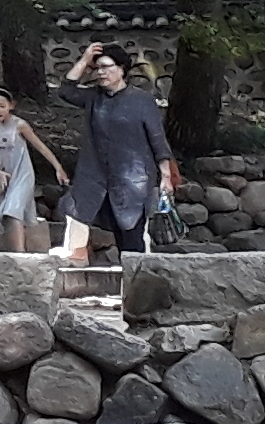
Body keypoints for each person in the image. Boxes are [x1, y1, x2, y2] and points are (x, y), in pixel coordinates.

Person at [57, 41, 179, 263]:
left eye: (106, 66)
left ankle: (136, 289)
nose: (101, 72)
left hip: (135, 182)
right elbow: (66, 90)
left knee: (132, 240)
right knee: (83, 217)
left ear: (122, 69)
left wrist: (166, 176)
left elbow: (157, 139)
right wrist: (85, 59)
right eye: (98, 68)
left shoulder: (141, 100)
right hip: (97, 180)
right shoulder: (94, 97)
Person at [0, 89, 64, 252]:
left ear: (10, 106)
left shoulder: (19, 125)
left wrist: (58, 167)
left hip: (22, 174)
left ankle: (19, 254)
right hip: (4, 176)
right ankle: (13, 250)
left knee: (13, 210)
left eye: (1, 106)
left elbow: (41, 147)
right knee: (5, 215)